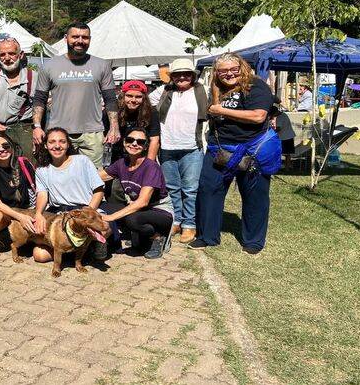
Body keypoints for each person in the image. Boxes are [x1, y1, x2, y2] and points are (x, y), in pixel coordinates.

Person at [191, 53, 280, 255]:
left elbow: (258, 116)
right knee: (208, 189)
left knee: (254, 195)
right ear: (217, 72)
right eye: (223, 71)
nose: (228, 74)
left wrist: (221, 110)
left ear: (242, 67)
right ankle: (207, 236)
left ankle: (254, 241)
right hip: (220, 148)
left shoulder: (256, 86)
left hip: (252, 149)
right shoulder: (217, 87)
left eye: (233, 69)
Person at [33, 22, 120, 168]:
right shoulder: (49, 66)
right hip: (59, 133)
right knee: (60, 176)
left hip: (93, 133)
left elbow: (110, 99)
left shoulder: (102, 65)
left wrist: (114, 126)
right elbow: (39, 99)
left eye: (84, 37)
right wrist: (36, 126)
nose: (80, 40)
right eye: (75, 37)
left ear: (90, 39)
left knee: (94, 178)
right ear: (66, 38)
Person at [148, 58, 208, 244]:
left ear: (193, 75)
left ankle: (190, 224)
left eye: (186, 73)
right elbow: (147, 103)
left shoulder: (202, 91)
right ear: (171, 76)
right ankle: (176, 220)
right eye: (177, 74)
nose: (182, 77)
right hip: (167, 147)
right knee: (172, 188)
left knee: (190, 189)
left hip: (192, 147)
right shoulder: (164, 91)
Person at [33, 127, 106, 262]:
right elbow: (42, 195)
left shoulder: (82, 161)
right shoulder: (41, 170)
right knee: (39, 255)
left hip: (86, 208)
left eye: (62, 141)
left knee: (105, 227)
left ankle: (89, 246)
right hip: (59, 212)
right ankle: (70, 249)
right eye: (52, 142)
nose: (57, 146)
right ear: (45, 145)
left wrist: (88, 211)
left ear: (68, 144)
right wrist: (38, 214)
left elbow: (99, 190)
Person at [99, 128, 174, 259]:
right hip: (139, 210)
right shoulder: (122, 163)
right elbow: (98, 177)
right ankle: (136, 238)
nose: (134, 144)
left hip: (159, 211)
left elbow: (143, 202)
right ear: (124, 142)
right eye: (130, 140)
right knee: (102, 207)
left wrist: (112, 217)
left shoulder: (151, 167)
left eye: (140, 142)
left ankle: (157, 237)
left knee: (131, 219)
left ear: (145, 146)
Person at [0, 131, 37, 259]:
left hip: (25, 209)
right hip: (2, 211)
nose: (2, 150)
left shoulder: (24, 162)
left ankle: (14, 234)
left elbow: (36, 190)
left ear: (12, 146)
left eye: (6, 146)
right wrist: (20, 217)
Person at [0, 36, 36, 161]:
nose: (7, 58)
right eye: (2, 54)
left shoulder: (34, 77)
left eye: (11, 53)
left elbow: (39, 106)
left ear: (20, 55)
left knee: (27, 166)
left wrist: (37, 129)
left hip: (25, 130)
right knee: (1, 168)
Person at [105, 80, 160, 163]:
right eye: (129, 96)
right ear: (123, 96)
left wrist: (149, 165)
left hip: (142, 156)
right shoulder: (113, 112)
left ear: (144, 98)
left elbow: (154, 140)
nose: (133, 100)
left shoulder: (151, 112)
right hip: (119, 156)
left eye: (138, 97)